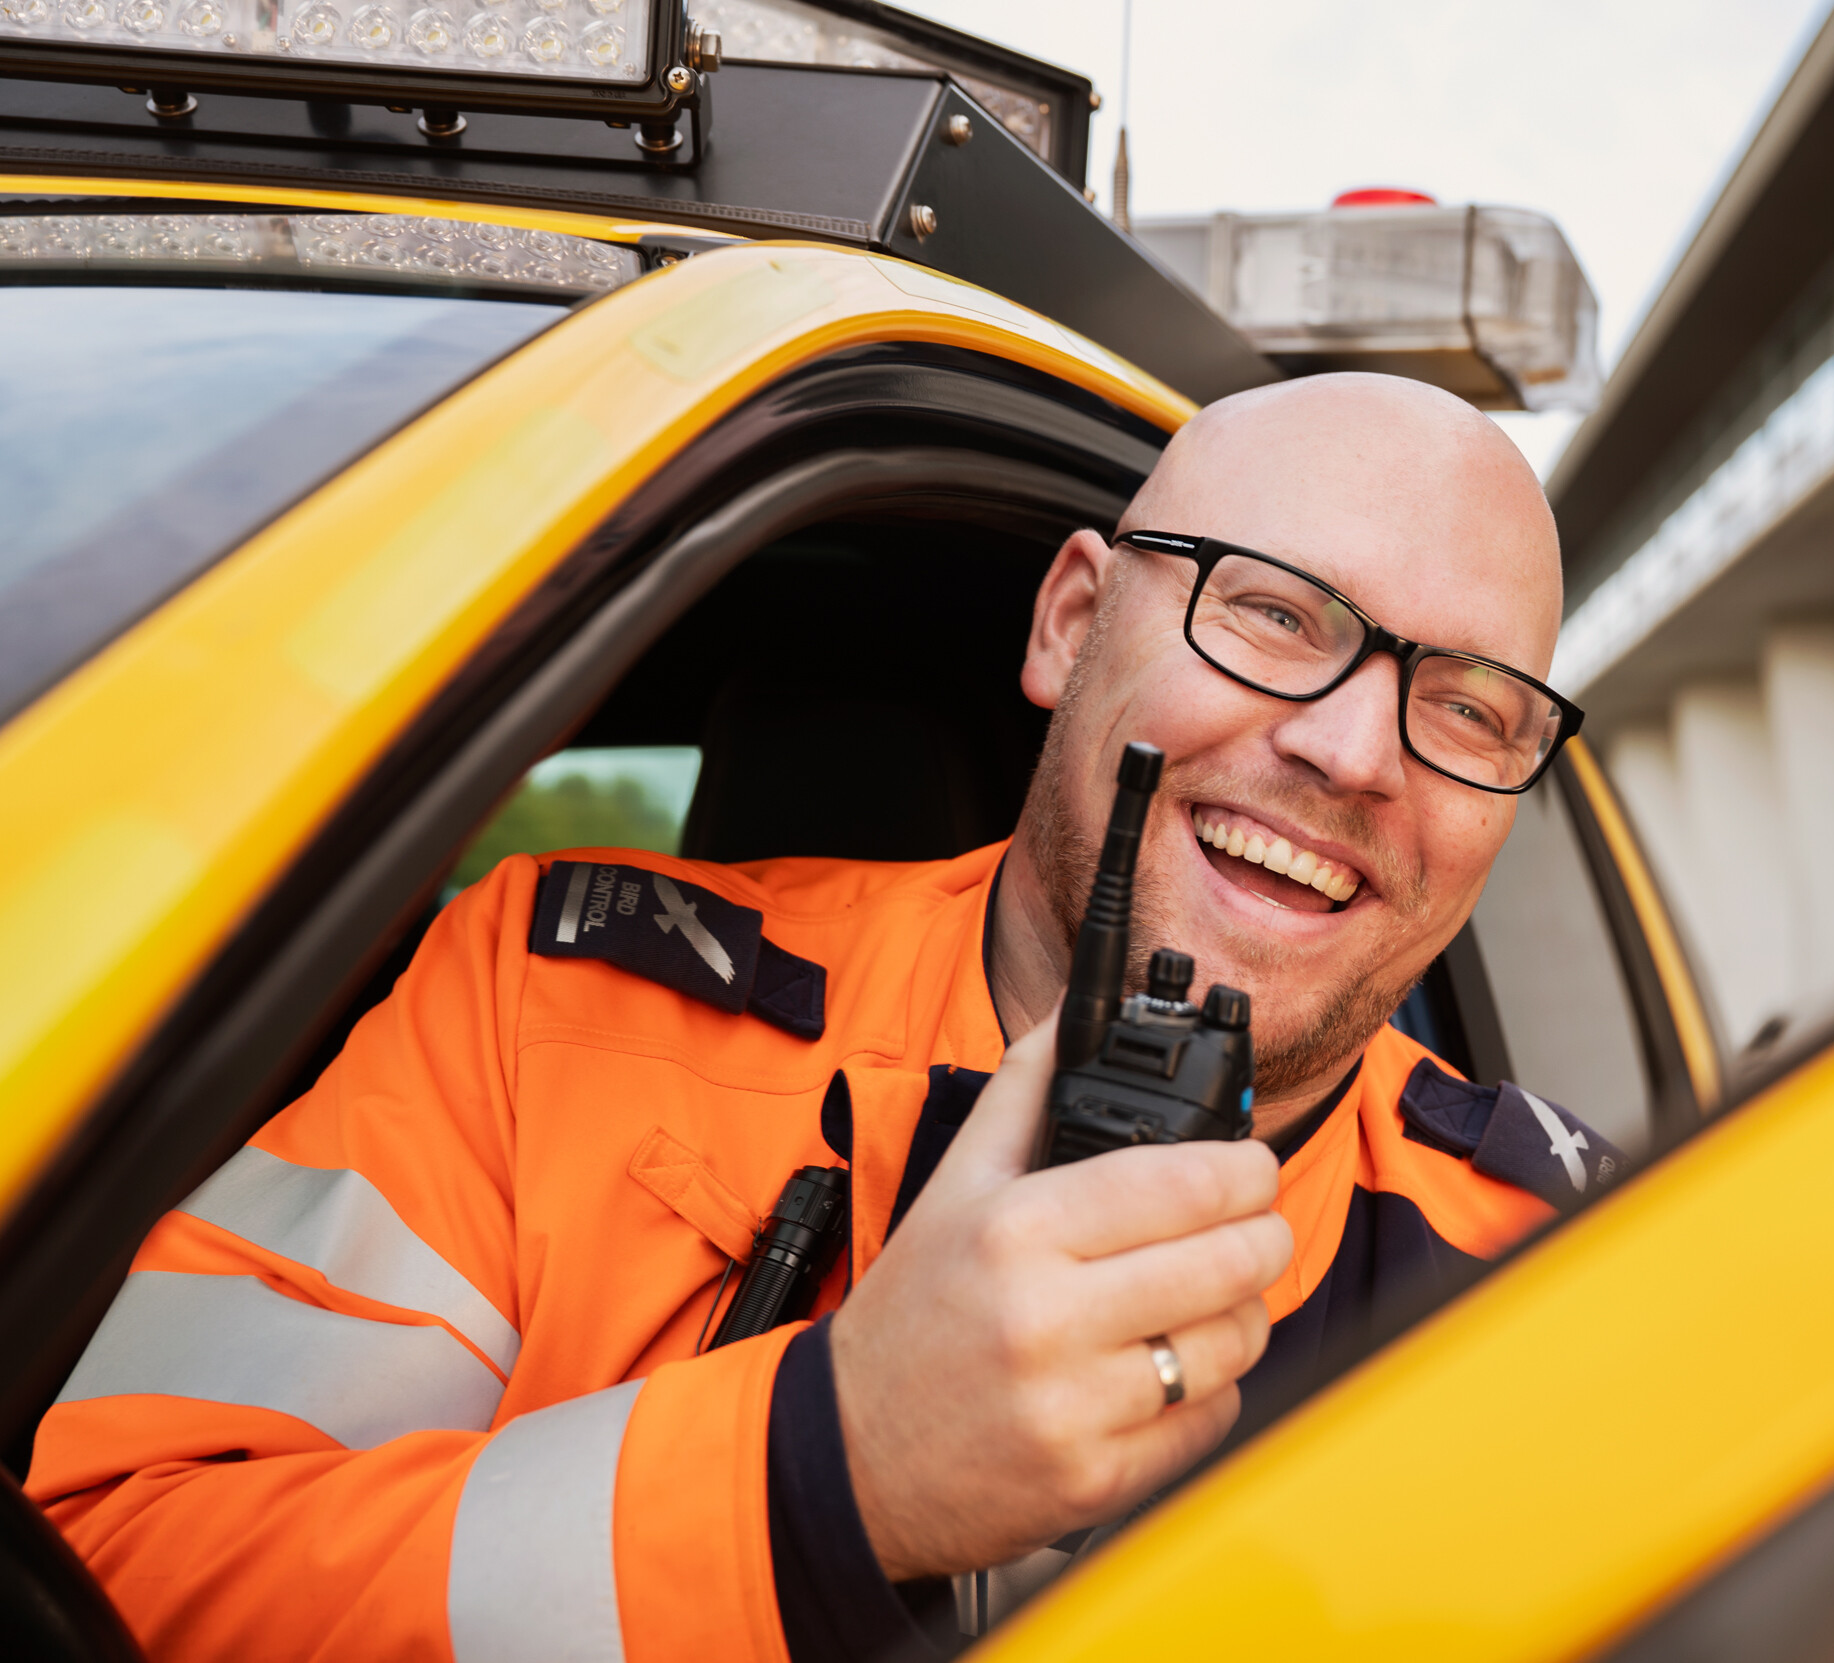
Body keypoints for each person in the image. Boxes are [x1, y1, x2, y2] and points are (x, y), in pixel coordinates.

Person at [29, 373, 1626, 1661]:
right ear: (1072, 622)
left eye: (1471, 707)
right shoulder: (546, 1004)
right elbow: (118, 1579)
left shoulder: (1573, 1265)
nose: (1355, 751)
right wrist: (820, 1475)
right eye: (1277, 614)